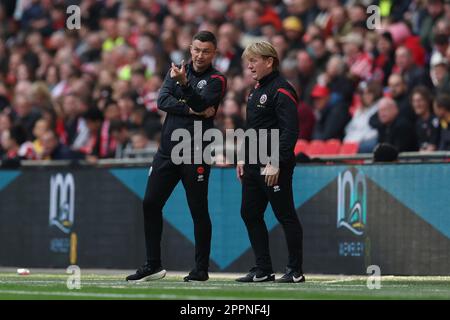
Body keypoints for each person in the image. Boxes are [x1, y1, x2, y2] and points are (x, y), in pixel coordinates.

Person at [126, 31, 227, 282]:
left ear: (214, 53)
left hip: (196, 151)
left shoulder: (217, 79)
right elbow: (162, 100)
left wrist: (184, 88)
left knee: (198, 209)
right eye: (196, 49)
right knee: (150, 203)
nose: (200, 55)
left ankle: (200, 269)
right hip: (168, 151)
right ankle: (153, 265)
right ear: (190, 49)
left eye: (205, 51)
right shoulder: (177, 70)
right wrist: (189, 107)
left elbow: (204, 105)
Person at [236, 41, 305, 283]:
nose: (249, 65)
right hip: (254, 165)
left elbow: (290, 131)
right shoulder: (255, 90)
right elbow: (252, 128)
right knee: (249, 213)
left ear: (269, 61)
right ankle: (263, 269)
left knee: (285, 215)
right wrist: (244, 156)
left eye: (254, 60)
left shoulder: (282, 90)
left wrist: (276, 161)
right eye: (248, 61)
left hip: (274, 166)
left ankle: (295, 271)